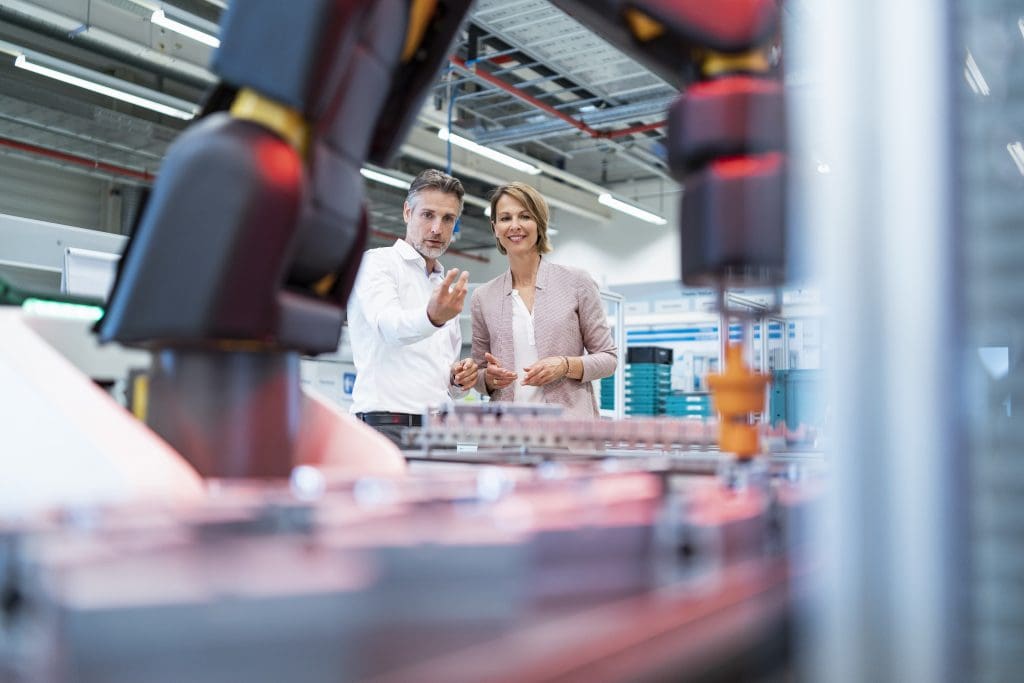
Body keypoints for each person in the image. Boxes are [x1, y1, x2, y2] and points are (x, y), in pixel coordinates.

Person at [347, 169, 478, 447]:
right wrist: (432, 318)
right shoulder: (376, 264)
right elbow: (389, 327)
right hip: (388, 427)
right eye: (427, 215)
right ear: (408, 212)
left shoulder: (443, 285)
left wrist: (458, 378)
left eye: (448, 219)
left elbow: (443, 375)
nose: (436, 229)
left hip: (442, 429)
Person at [471, 181, 616, 417]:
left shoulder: (577, 282)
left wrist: (565, 365)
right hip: (507, 435)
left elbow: (608, 358)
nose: (515, 225)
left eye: (525, 216)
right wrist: (486, 378)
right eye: (505, 218)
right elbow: (479, 373)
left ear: (539, 222)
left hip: (569, 430)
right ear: (495, 227)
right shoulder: (483, 297)